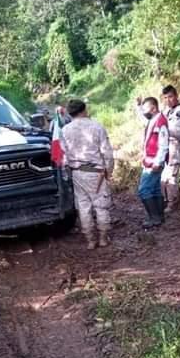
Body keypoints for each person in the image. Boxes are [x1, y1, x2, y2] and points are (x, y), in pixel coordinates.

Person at [61, 99, 115, 250]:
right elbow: (107, 153)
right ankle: (103, 238)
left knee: (83, 207)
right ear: (84, 110)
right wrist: (108, 171)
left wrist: (67, 174)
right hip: (96, 172)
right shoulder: (96, 126)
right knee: (101, 205)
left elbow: (62, 156)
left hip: (77, 172)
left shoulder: (65, 130)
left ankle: (90, 240)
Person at [135, 96, 169, 228]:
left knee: (144, 190)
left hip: (154, 162)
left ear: (154, 108)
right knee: (155, 190)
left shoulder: (160, 122)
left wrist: (158, 162)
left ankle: (154, 218)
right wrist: (138, 107)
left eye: (146, 109)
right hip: (150, 161)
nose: (144, 112)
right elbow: (142, 119)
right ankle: (159, 217)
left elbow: (164, 144)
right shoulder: (153, 120)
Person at [161, 85, 180, 212]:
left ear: (176, 96)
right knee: (163, 176)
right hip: (165, 146)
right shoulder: (167, 110)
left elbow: (177, 131)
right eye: (166, 97)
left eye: (170, 97)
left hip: (175, 145)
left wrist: (162, 128)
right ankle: (164, 200)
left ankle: (172, 203)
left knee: (171, 176)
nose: (168, 100)